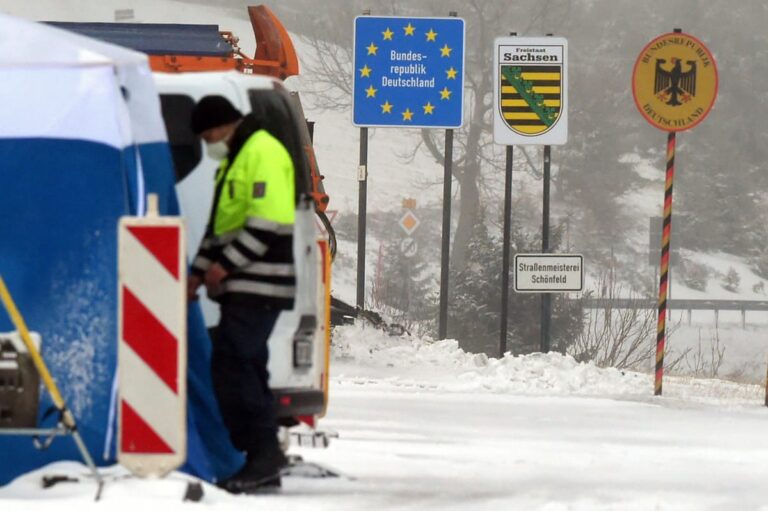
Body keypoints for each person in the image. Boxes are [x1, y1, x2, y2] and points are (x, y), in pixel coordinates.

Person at [187, 95, 296, 492]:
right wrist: (197, 274)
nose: (206, 143)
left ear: (222, 125)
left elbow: (267, 222)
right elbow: (219, 231)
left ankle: (260, 453)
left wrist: (222, 266)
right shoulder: (236, 157)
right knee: (246, 366)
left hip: (260, 283)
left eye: (207, 135)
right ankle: (261, 457)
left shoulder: (262, 151)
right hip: (246, 287)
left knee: (232, 363)